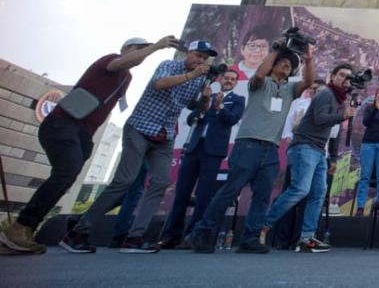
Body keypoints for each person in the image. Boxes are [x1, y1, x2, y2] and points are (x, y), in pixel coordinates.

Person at [0, 36, 179, 255]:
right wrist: (157, 47)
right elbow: (119, 63)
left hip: (83, 132)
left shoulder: (127, 77)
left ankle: (25, 230)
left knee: (67, 176)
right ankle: (21, 227)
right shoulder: (112, 60)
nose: (143, 53)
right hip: (63, 123)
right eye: (138, 49)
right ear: (126, 49)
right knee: (66, 173)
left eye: (145, 49)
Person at [61, 40, 215, 253]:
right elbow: (159, 84)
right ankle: (78, 231)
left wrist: (205, 100)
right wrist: (192, 75)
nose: (201, 61)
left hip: (165, 134)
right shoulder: (169, 65)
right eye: (198, 55)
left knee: (161, 182)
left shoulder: (200, 79)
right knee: (124, 181)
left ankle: (135, 238)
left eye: (205, 58)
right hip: (140, 127)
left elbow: (194, 108)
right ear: (188, 53)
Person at [188, 39, 314, 253]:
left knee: (263, 195)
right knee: (230, 191)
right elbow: (259, 74)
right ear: (272, 64)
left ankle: (250, 238)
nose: (287, 66)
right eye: (282, 62)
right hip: (248, 145)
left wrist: (308, 59)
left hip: (271, 148)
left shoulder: (290, 89)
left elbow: (308, 82)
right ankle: (201, 232)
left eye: (290, 65)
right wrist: (275, 51)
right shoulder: (260, 83)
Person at [263, 63, 355, 253]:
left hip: (319, 150)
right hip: (305, 147)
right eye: (342, 75)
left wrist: (332, 156)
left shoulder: (338, 98)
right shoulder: (326, 94)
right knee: (300, 190)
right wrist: (343, 116)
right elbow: (320, 119)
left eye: (348, 77)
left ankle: (306, 237)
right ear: (333, 76)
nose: (345, 79)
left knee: (318, 193)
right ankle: (262, 225)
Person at [159, 68, 246, 248]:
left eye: (232, 79)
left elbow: (231, 119)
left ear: (236, 83)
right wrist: (204, 103)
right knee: (182, 194)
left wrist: (220, 107)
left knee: (203, 196)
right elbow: (191, 119)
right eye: (226, 78)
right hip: (194, 148)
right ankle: (171, 236)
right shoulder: (207, 95)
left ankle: (192, 235)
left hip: (213, 152)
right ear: (221, 79)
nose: (229, 81)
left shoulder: (237, 100)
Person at [355, 86, 379, 215]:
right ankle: (360, 207)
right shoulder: (369, 108)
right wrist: (376, 110)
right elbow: (366, 122)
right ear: (376, 95)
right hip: (368, 144)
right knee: (365, 176)